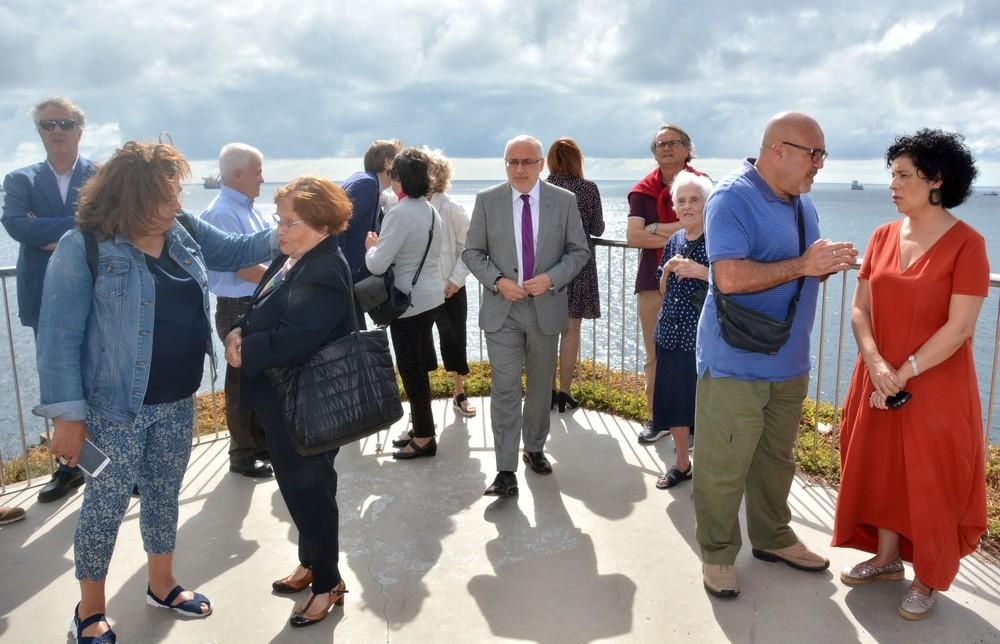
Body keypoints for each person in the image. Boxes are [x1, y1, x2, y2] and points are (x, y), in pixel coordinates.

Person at [35, 141, 277, 642]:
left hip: (176, 401)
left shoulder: (181, 230)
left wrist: (300, 223)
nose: (176, 204)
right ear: (132, 197)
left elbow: (234, 252)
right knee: (104, 507)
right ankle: (90, 611)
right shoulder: (84, 247)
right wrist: (67, 419)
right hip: (111, 412)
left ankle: (162, 584)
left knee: (165, 496)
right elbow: (58, 339)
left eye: (176, 193)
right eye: (166, 195)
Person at [692, 112, 857, 599]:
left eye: (823, 155)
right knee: (724, 466)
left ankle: (772, 537)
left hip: (789, 360)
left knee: (776, 461)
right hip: (735, 363)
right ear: (777, 150)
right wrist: (804, 264)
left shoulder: (802, 203)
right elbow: (730, 279)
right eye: (814, 154)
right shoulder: (731, 198)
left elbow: (793, 270)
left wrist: (821, 266)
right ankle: (718, 554)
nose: (820, 165)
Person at [832, 130, 988, 621]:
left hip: (935, 383)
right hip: (878, 376)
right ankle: (885, 559)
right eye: (892, 175)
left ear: (937, 180)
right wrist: (878, 364)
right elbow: (860, 311)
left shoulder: (969, 245)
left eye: (903, 175)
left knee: (931, 477)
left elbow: (960, 327)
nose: (893, 185)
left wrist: (905, 370)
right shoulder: (880, 236)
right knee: (880, 467)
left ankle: (927, 576)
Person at [225, 175, 354, 628]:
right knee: (300, 488)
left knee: (312, 492)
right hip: (286, 400)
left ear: (321, 224)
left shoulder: (324, 270)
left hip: (309, 402)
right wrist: (239, 328)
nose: (280, 231)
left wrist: (246, 350)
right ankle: (311, 563)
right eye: (279, 220)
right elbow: (260, 305)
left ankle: (328, 585)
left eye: (290, 223)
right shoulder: (294, 257)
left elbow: (294, 340)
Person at [463, 135, 590, 497]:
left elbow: (578, 251)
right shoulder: (487, 201)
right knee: (503, 387)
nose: (518, 169)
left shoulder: (563, 202)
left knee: (538, 386)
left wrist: (551, 278)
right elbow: (473, 252)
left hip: (545, 309)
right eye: (511, 162)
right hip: (503, 310)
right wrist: (498, 281)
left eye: (526, 162)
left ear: (540, 165)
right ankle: (505, 470)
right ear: (505, 164)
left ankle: (534, 447)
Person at [2, 96, 96, 503]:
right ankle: (71, 468)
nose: (56, 130)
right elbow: (17, 228)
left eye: (65, 122)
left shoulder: (101, 176)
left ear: (80, 127)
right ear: (39, 131)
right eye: (47, 124)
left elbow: (108, 222)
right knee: (59, 384)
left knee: (99, 378)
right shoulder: (20, 179)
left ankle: (110, 467)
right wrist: (78, 228)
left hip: (97, 293)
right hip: (45, 298)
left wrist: (50, 232)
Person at [627, 124, 706, 442]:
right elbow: (634, 237)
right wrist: (681, 227)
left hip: (701, 287)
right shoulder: (642, 190)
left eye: (674, 143)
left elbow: (709, 224)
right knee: (655, 355)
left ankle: (697, 420)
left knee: (699, 355)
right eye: (660, 143)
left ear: (687, 149)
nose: (666, 148)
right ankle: (657, 418)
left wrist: (658, 227)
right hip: (653, 282)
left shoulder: (703, 185)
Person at [200, 143, 274, 478]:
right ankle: (242, 454)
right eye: (257, 172)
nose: (262, 179)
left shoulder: (247, 208)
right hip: (237, 307)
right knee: (241, 382)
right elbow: (243, 268)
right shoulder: (222, 213)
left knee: (256, 378)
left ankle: (259, 445)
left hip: (254, 304)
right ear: (237, 174)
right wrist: (282, 279)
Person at [365, 148, 444, 460]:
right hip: (430, 297)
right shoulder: (429, 210)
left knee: (411, 371)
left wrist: (370, 247)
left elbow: (377, 265)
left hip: (407, 304)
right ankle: (421, 429)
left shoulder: (399, 212)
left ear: (398, 179)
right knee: (418, 369)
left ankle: (424, 437)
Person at [650, 171, 712, 489]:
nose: (687, 206)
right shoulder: (674, 239)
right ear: (674, 207)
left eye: (694, 199)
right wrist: (670, 270)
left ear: (707, 203)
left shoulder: (718, 238)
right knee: (674, 401)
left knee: (705, 404)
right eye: (681, 201)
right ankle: (681, 463)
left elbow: (733, 284)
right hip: (671, 332)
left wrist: (703, 272)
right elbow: (662, 287)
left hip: (703, 337)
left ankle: (710, 469)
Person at [545, 137, 605, 413]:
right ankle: (564, 392)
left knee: (545, 331)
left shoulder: (541, 188)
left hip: (546, 266)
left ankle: (545, 392)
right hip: (579, 263)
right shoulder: (588, 189)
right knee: (571, 331)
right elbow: (598, 228)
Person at [427, 150, 476, 417]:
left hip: (450, 289)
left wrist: (456, 281)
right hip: (421, 291)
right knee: (421, 344)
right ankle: (422, 399)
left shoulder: (453, 209)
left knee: (455, 340)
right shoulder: (407, 208)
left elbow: (468, 249)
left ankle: (459, 392)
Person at [339, 139, 403, 284]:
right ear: (388, 162)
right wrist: (343, 269)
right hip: (349, 274)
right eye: (400, 161)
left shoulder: (365, 180)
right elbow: (339, 227)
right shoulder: (368, 184)